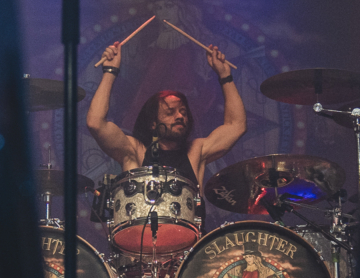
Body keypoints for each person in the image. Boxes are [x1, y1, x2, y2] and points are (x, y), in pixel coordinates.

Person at [85, 39, 246, 191]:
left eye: (183, 112)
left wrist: (225, 76)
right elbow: (96, 123)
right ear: (152, 123)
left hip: (187, 222)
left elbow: (236, 126)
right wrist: (110, 71)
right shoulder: (134, 150)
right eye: (170, 112)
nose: (180, 116)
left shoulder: (197, 151)